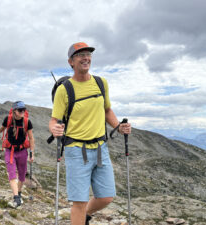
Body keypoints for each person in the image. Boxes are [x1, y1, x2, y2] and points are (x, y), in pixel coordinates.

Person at [49, 42, 131, 225]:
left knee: (106, 197)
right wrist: (54, 128)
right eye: (80, 55)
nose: (85, 58)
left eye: (88, 54)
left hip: (101, 148)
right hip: (76, 149)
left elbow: (107, 110)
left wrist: (118, 127)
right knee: (79, 201)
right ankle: (79, 216)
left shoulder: (101, 83)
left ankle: (83, 216)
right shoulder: (65, 90)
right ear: (71, 61)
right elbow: (54, 120)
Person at [0, 101, 35, 207]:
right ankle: (16, 197)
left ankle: (19, 192)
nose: (23, 112)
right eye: (20, 110)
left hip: (22, 151)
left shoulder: (27, 122)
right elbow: (0, 130)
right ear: (14, 111)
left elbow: (31, 138)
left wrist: (32, 153)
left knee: (22, 176)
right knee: (12, 174)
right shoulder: (8, 120)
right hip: (10, 151)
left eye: (24, 110)